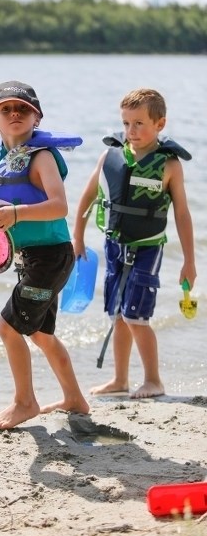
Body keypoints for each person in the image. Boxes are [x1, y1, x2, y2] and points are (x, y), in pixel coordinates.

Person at [0, 80, 89, 429]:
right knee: (40, 334)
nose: (14, 113)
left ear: (36, 118)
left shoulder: (40, 157)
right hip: (27, 258)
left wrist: (16, 214)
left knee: (8, 328)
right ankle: (75, 399)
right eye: (5, 108)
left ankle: (25, 402)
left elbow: (59, 206)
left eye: (23, 108)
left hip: (51, 256)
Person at [73, 88, 196, 399]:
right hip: (114, 245)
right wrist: (77, 237)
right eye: (126, 123)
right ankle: (120, 379)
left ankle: (154, 380)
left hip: (147, 248)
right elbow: (87, 198)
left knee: (136, 317)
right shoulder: (110, 156)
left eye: (139, 123)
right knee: (117, 315)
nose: (131, 131)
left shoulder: (169, 165)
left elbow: (181, 213)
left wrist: (189, 261)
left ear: (160, 124)